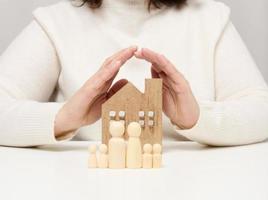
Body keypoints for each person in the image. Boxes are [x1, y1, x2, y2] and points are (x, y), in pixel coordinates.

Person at [0, 0, 268, 147]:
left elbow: (262, 112)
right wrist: (65, 117)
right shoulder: (55, 22)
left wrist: (196, 119)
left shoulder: (210, 17)